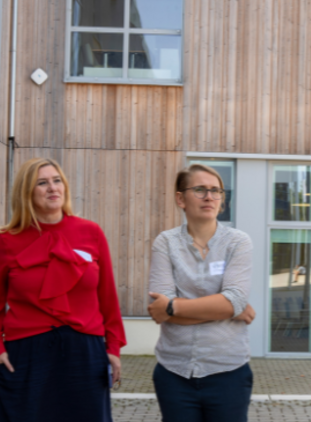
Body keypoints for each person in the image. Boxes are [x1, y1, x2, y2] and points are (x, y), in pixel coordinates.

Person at [0, 158, 127, 421]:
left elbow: (108, 298)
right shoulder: (7, 241)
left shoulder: (91, 232)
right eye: (42, 183)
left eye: (57, 181)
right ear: (26, 191)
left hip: (85, 350)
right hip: (25, 354)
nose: (52, 188)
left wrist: (113, 348)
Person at [148, 164, 255, 422]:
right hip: (175, 374)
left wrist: (174, 307)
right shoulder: (166, 242)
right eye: (200, 190)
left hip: (228, 372)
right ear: (180, 198)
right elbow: (157, 309)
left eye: (216, 191)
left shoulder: (238, 242)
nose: (209, 197)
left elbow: (233, 301)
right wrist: (227, 309)